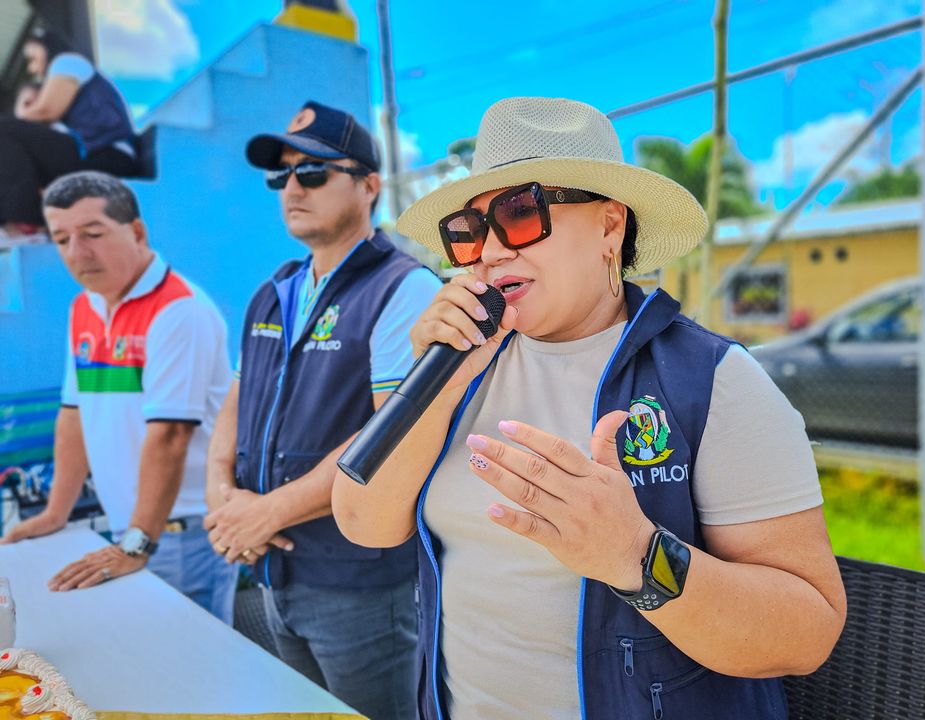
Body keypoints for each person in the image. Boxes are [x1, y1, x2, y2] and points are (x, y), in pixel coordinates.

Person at [332, 97, 847, 720]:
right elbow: (363, 521)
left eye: (519, 213)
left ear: (609, 226)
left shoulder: (712, 379)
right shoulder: (459, 366)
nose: (490, 251)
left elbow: (807, 632)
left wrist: (634, 554)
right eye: (468, 231)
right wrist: (436, 382)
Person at [203, 100, 440, 719]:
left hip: (360, 585)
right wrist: (221, 496)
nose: (292, 188)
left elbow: (391, 437)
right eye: (280, 175)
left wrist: (265, 513)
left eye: (312, 172)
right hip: (274, 567)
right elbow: (237, 401)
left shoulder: (404, 287)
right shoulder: (274, 290)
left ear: (369, 186)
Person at [0, 171, 237, 625]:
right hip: (130, 531)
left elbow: (170, 435)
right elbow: (73, 414)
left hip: (180, 533)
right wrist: (56, 511)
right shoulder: (85, 307)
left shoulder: (179, 309)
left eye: (93, 234)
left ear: (137, 232)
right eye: (62, 239)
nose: (77, 253)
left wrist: (137, 542)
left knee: (190, 662)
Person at [0, 28, 138, 237]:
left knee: (4, 128)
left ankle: (29, 219)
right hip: (89, 155)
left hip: (109, 156)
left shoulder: (68, 62)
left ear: (45, 47)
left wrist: (19, 118)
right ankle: (15, 221)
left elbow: (46, 110)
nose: (32, 68)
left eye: (32, 58)